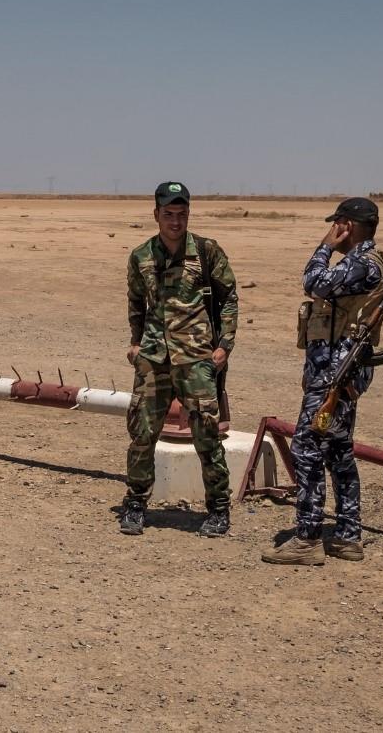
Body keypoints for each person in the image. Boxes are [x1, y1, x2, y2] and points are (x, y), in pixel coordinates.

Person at [263, 196, 383, 565]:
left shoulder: (363, 265)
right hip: (338, 369)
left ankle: (308, 538)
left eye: (337, 225)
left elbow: (313, 282)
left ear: (347, 226)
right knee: (337, 450)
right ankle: (348, 536)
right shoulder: (364, 262)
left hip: (336, 373)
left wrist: (324, 247)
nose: (333, 230)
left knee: (305, 448)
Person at [120, 181, 239, 537]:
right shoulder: (141, 256)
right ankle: (136, 504)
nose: (175, 221)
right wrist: (136, 342)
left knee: (206, 436)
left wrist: (225, 345)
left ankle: (219, 509)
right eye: (169, 214)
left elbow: (229, 297)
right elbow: (135, 303)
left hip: (197, 359)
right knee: (142, 433)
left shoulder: (206, 251)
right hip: (154, 358)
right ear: (156, 215)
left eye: (182, 214)